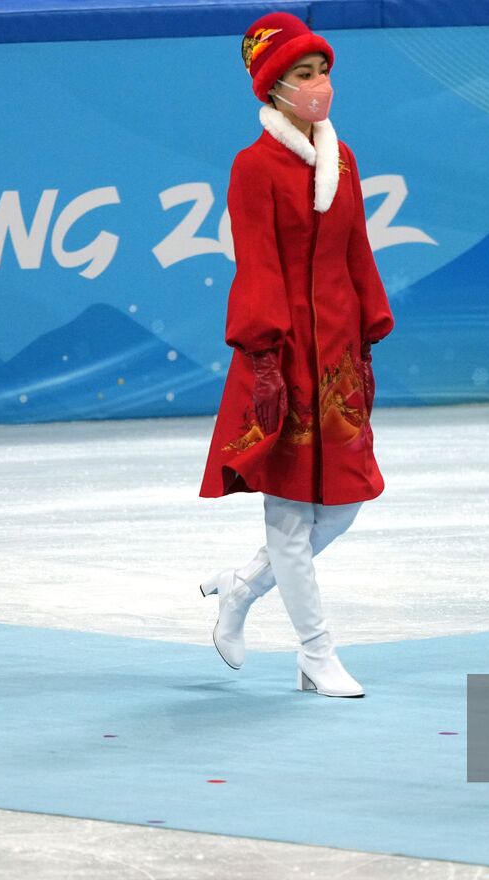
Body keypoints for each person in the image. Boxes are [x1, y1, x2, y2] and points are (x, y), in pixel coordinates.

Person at [197, 11, 394, 698]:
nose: (320, 87)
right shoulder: (254, 167)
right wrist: (265, 359)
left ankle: (241, 589)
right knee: (288, 514)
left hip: (336, 355)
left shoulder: (342, 159)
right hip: (280, 356)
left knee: (344, 503)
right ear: (274, 89)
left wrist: (369, 331)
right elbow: (256, 264)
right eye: (304, 76)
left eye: (323, 73)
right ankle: (316, 654)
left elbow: (356, 250)